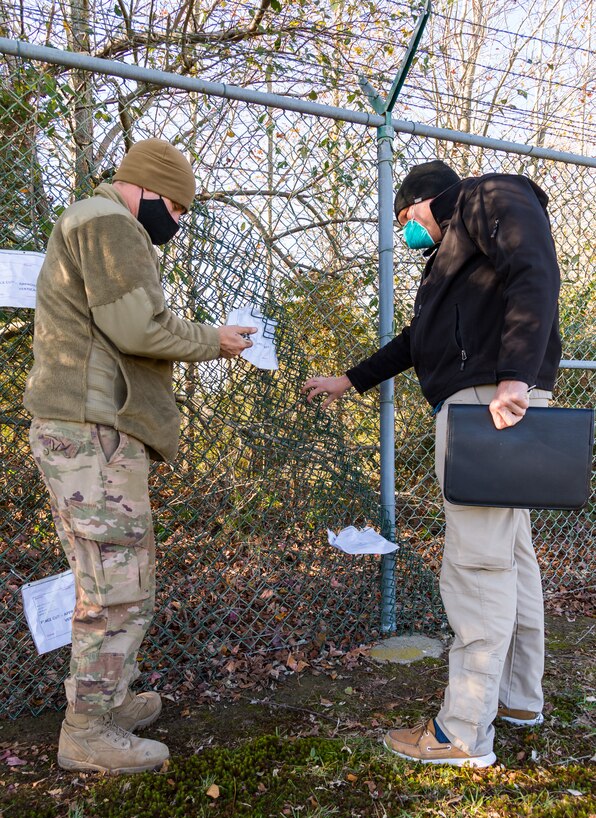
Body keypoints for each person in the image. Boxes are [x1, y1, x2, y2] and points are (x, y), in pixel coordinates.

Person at [302, 159, 561, 767]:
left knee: (475, 568)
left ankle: (461, 732)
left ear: (423, 204)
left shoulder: (487, 197)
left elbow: (536, 270)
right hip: (493, 404)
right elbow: (418, 340)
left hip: (487, 409)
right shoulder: (458, 265)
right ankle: (519, 698)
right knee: (511, 557)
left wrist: (514, 377)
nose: (406, 232)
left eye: (404, 219)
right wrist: (350, 379)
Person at [24, 138, 257, 774]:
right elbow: (139, 330)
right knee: (116, 585)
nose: (176, 223)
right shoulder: (109, 223)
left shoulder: (92, 220)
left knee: (112, 574)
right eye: (176, 209)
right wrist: (215, 339)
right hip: (91, 429)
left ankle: (108, 699)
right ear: (148, 191)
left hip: (87, 428)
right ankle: (89, 730)